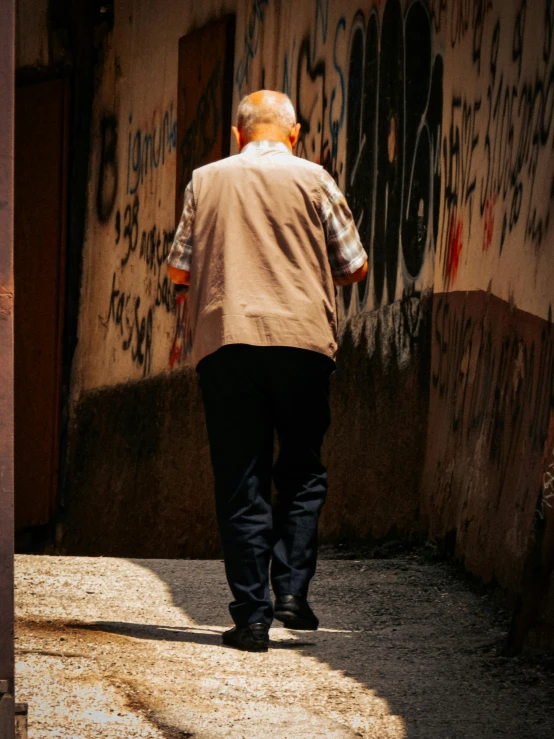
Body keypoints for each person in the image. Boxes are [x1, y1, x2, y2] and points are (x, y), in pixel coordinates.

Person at [167, 90, 367, 652]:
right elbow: (354, 266)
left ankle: (251, 617)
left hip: (226, 343)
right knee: (301, 470)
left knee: (241, 480)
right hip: (303, 345)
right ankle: (292, 594)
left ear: (238, 135)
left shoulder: (205, 181)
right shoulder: (315, 178)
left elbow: (179, 269)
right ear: (295, 134)